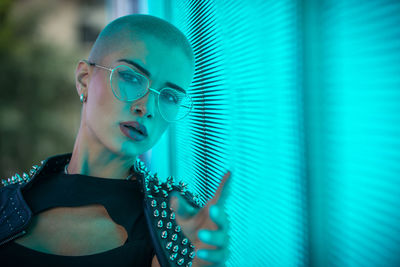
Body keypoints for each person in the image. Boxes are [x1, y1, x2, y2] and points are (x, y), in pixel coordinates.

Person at [0, 14, 231, 266]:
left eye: (170, 96)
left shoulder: (171, 222)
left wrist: (199, 261)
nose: (147, 107)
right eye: (131, 77)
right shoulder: (7, 201)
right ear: (84, 80)